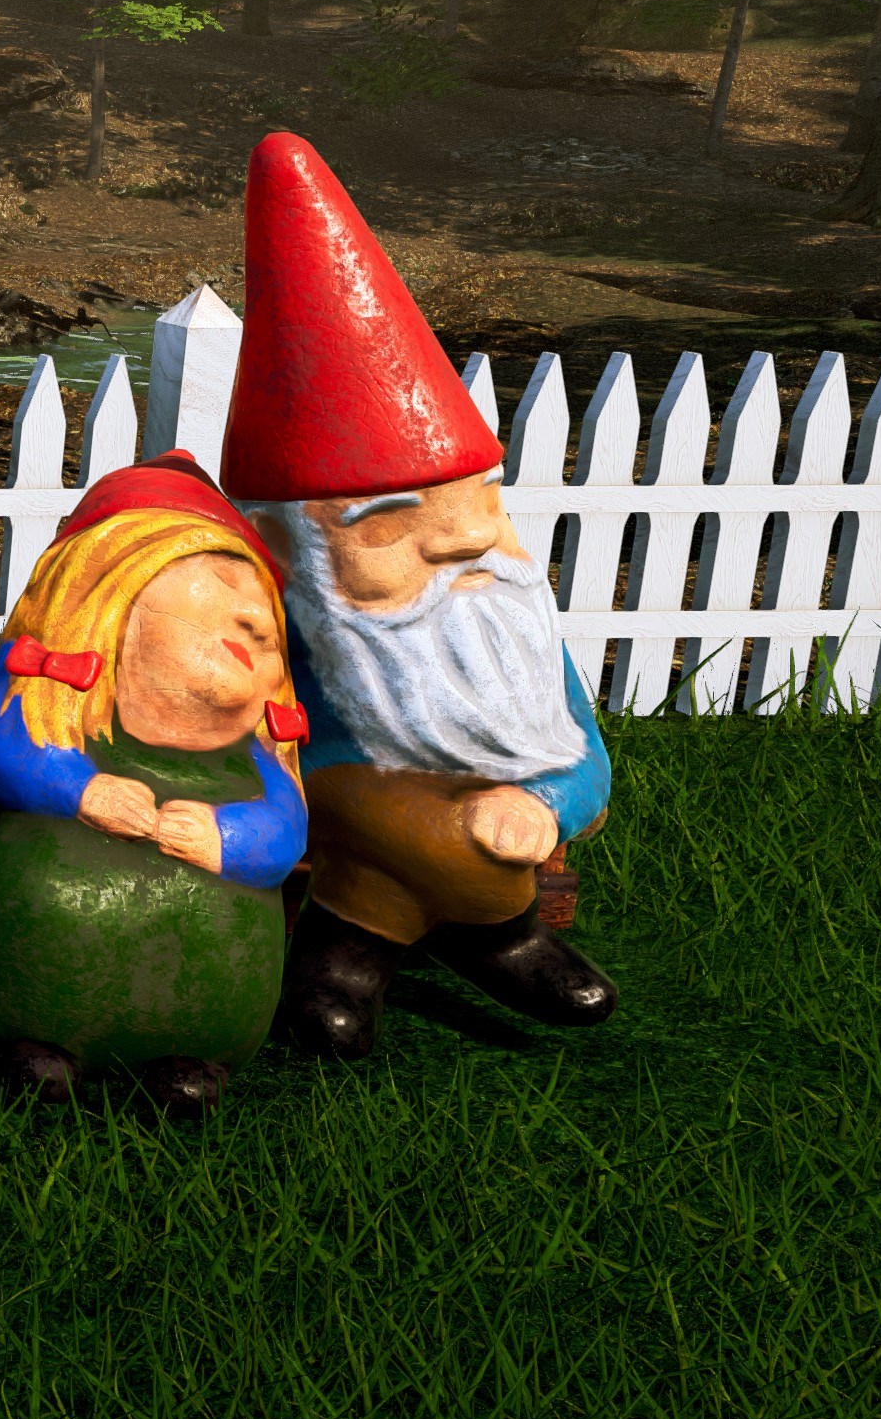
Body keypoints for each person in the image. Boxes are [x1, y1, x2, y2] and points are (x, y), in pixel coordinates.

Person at [222, 132, 614, 1061]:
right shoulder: (285, 632)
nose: (467, 540)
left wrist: (545, 805)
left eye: (484, 503)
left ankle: (357, 959)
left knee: (446, 833)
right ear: (288, 546)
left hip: (440, 845)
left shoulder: (507, 623)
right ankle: (496, 937)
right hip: (328, 813)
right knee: (425, 827)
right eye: (393, 523)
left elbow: (583, 756)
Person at [0, 453, 308, 1116]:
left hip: (210, 961)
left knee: (213, 947)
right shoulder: (52, 700)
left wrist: (230, 836)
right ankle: (30, 1039)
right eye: (223, 581)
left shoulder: (256, 756)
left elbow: (286, 829)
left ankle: (189, 1056)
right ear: (107, 596)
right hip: (43, 907)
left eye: (268, 622)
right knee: (46, 909)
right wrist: (78, 790)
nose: (256, 618)